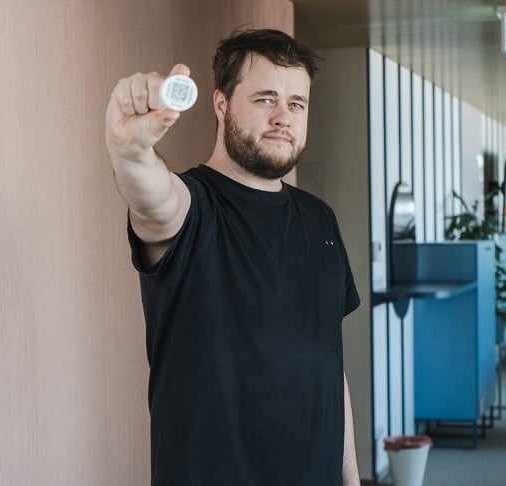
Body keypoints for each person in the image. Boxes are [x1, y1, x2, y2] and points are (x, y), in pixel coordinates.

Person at [105, 28, 360, 485]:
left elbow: (328, 362)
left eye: (296, 104)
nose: (283, 117)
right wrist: (130, 154)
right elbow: (154, 201)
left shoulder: (320, 220)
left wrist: (350, 475)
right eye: (265, 99)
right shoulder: (194, 209)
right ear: (221, 104)